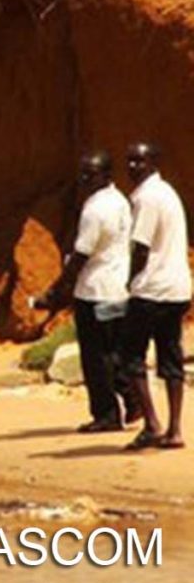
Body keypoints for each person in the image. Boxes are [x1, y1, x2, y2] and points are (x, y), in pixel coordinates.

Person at [31, 150, 136, 432]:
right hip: (117, 288)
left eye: (91, 173)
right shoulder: (120, 200)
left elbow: (80, 256)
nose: (85, 179)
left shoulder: (95, 209)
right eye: (83, 173)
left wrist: (56, 291)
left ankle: (107, 415)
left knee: (95, 356)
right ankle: (133, 399)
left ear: (106, 174)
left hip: (94, 291)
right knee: (114, 351)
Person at [120, 144, 191, 452]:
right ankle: (174, 430)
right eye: (130, 161)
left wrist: (127, 282)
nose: (133, 166)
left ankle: (152, 425)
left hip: (151, 289)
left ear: (153, 163)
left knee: (131, 356)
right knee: (171, 358)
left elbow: (141, 248)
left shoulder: (147, 198)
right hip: (176, 289)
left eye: (139, 160)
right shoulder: (167, 192)